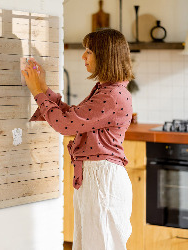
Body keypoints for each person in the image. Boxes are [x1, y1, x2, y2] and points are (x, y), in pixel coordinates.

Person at [21, 28, 134, 250]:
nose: (83, 56)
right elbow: (73, 118)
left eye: (89, 51)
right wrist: (43, 88)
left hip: (102, 180)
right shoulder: (107, 90)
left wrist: (37, 92)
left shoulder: (111, 95)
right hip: (96, 178)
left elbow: (65, 125)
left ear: (105, 55)